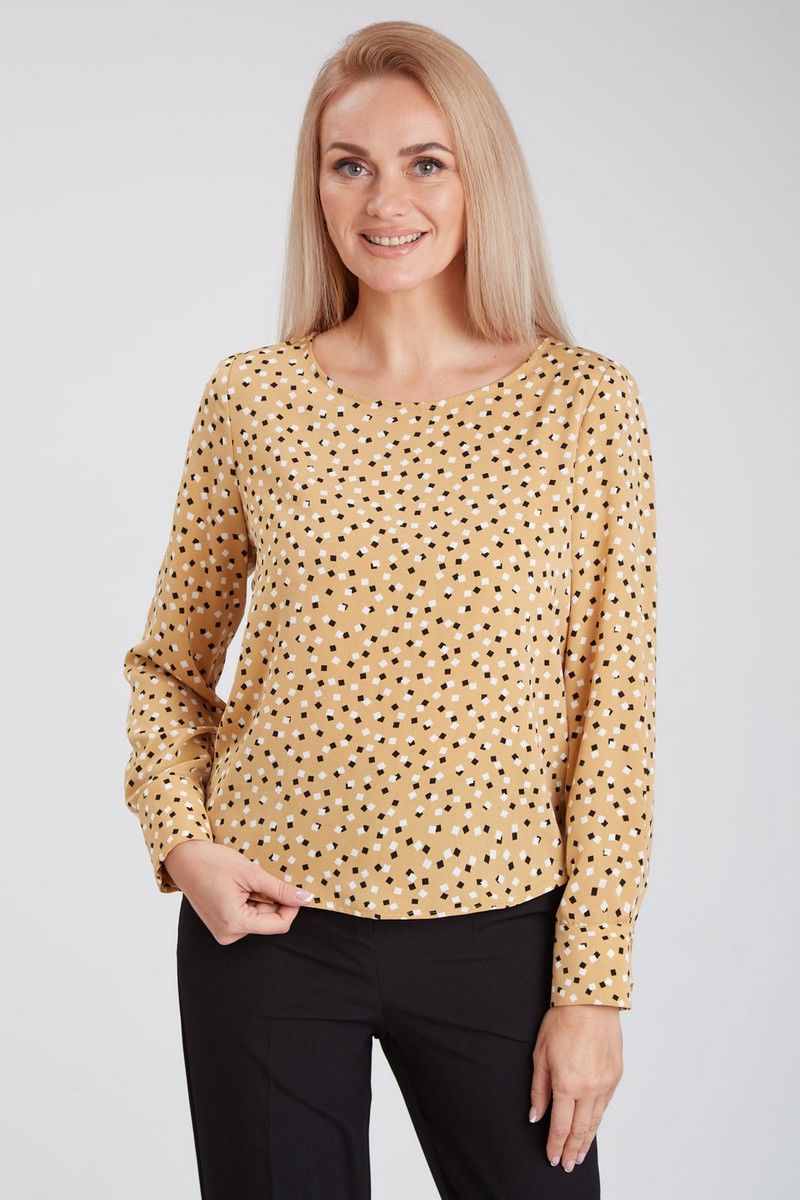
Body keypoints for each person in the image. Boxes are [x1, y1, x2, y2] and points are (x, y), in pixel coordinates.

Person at [122, 19, 657, 1200]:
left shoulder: (583, 406)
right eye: (348, 164)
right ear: (314, 185)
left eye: (424, 162)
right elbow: (170, 667)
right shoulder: (255, 398)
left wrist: (592, 986)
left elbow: (610, 717)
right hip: (268, 932)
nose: (385, 201)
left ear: (479, 177)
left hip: (502, 938)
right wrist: (182, 842)